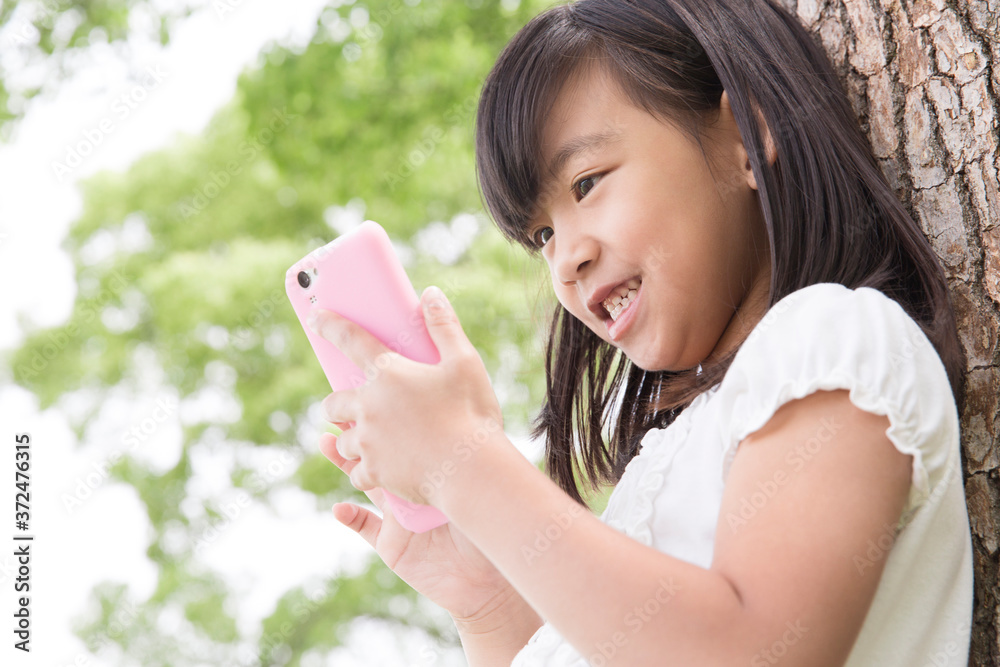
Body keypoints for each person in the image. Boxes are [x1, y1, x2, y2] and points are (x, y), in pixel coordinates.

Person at [307, 0, 974, 664]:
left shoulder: (831, 337)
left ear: (745, 134)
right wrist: (489, 602)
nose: (564, 260)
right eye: (542, 235)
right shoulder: (667, 465)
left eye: (586, 183)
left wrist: (467, 462)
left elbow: (754, 650)